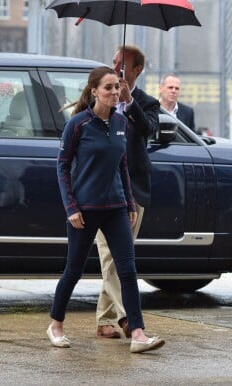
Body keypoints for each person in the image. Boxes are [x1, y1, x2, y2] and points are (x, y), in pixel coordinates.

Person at [48, 66, 165, 354]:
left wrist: (128, 202)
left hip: (115, 209)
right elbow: (62, 167)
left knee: (128, 270)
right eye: (109, 88)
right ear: (94, 91)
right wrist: (70, 207)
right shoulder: (78, 124)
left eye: (117, 87)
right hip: (84, 210)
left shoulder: (121, 122)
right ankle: (56, 325)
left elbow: (122, 165)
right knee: (73, 270)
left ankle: (138, 333)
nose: (115, 92)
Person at [94, 45, 160, 340]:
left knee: (121, 256)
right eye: (114, 62)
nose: (116, 68)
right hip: (100, 188)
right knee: (111, 254)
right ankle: (128, 319)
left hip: (132, 190)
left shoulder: (146, 102)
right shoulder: (101, 97)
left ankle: (104, 319)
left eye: (122, 66)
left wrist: (129, 103)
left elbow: (149, 131)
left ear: (136, 71)